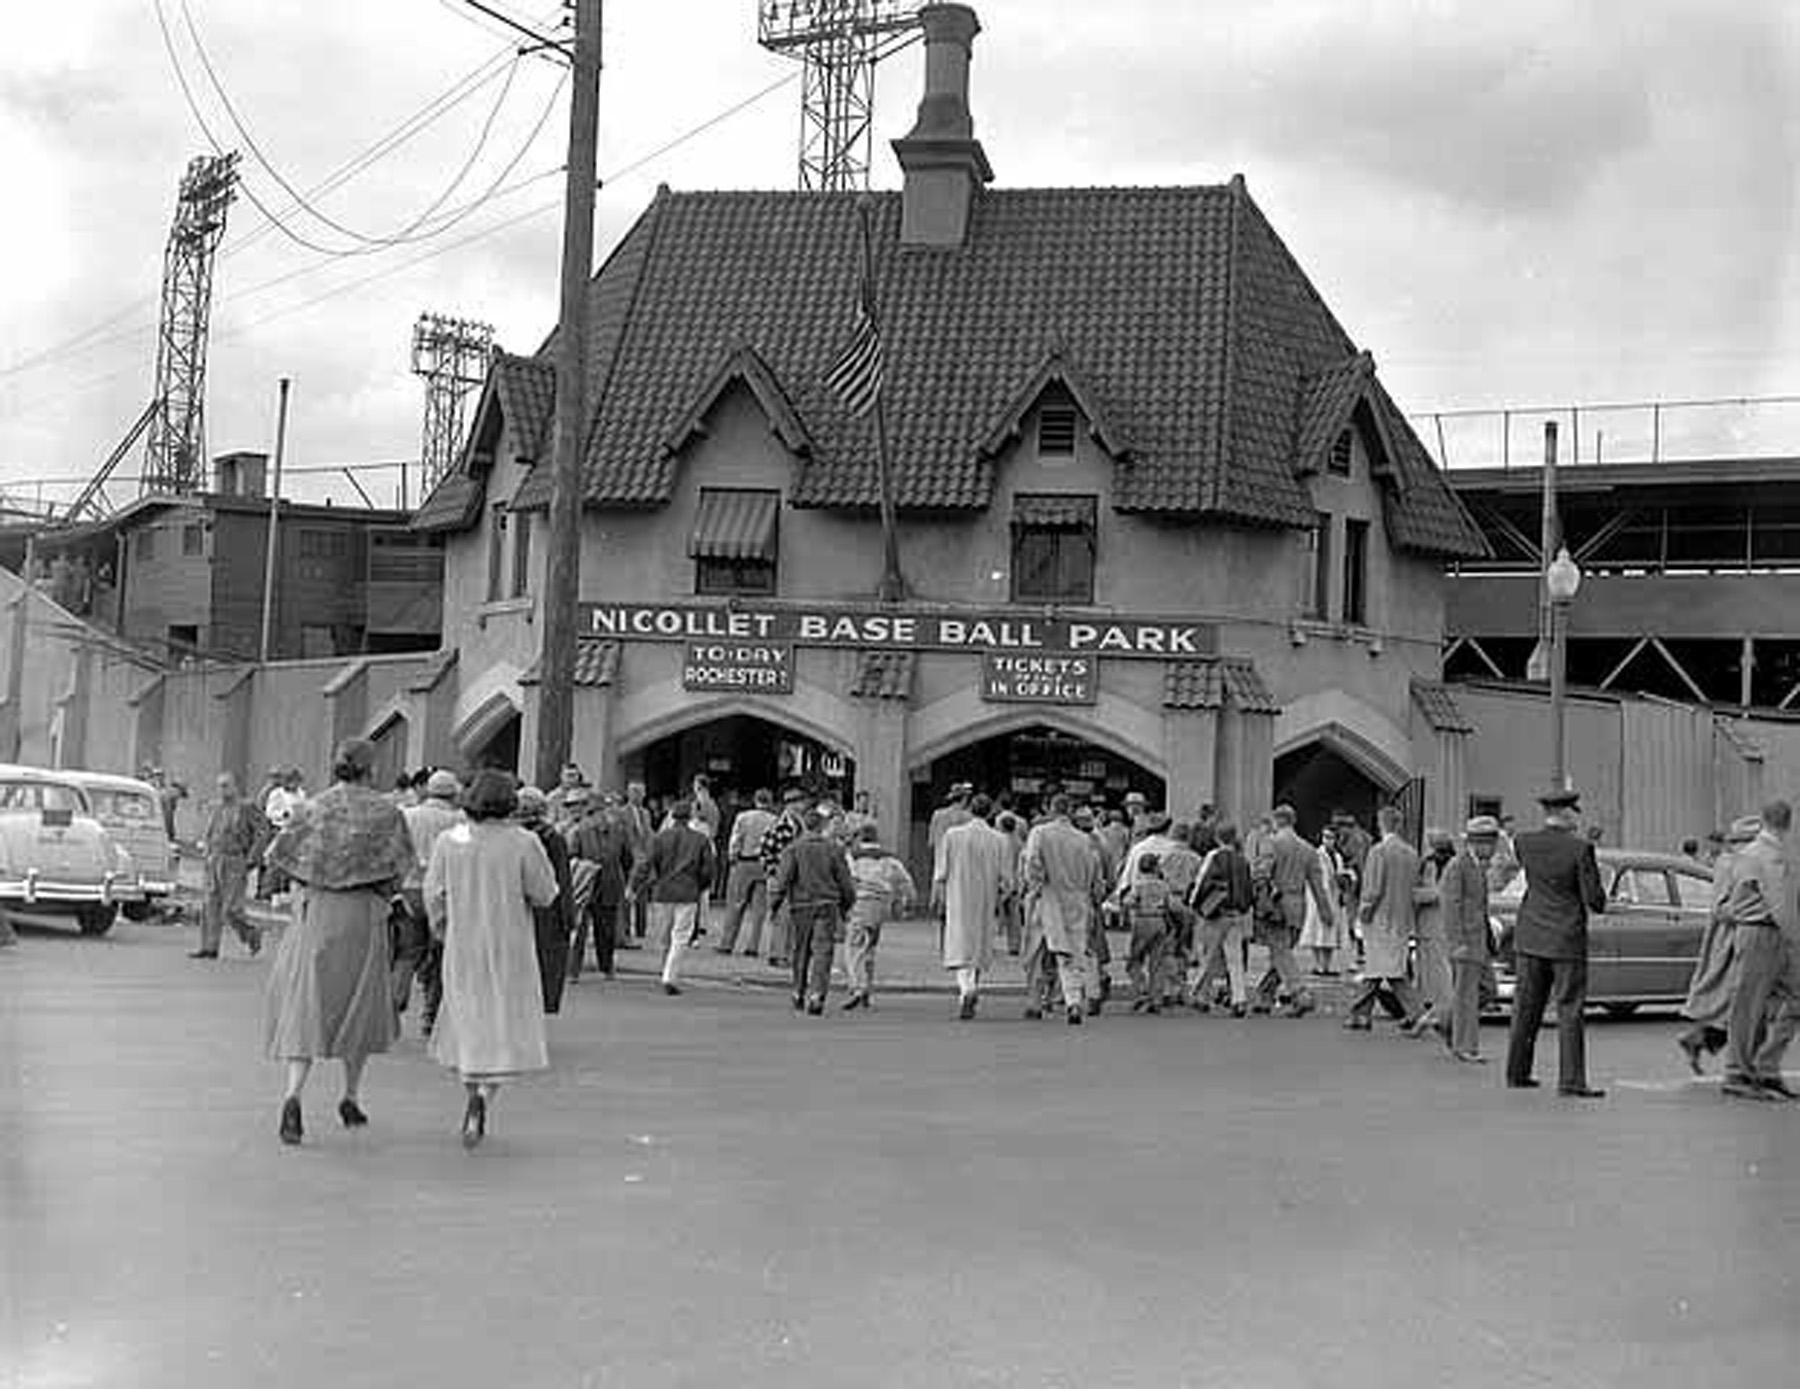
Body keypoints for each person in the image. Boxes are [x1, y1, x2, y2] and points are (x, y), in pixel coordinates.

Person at [262, 739, 416, 1146]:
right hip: (365, 914)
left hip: (316, 912)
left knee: (306, 1002)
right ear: (370, 769)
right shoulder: (387, 813)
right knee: (359, 1005)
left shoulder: (313, 808)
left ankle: (293, 1095)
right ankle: (350, 1095)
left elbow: (278, 854)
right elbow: (401, 866)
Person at [425, 770, 560, 1149]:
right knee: (503, 1025)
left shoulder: (449, 840)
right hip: (509, 944)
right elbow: (545, 893)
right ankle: (483, 1098)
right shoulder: (524, 842)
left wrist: (442, 928)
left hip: (463, 941)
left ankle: (471, 1088)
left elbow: (434, 894)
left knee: (468, 1021)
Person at [1503, 786, 1608, 1098]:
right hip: (1565, 937)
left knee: (1525, 1007)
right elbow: (1594, 900)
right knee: (1569, 1008)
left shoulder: (1523, 842)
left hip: (1531, 933)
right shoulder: (1580, 849)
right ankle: (1571, 1080)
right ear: (1566, 813)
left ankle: (1517, 1071)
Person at [1718, 799, 1800, 1102]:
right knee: (1750, 1004)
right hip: (1765, 934)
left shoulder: (1750, 853)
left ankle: (1760, 1068)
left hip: (1756, 932)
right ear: (1789, 823)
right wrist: (1796, 940)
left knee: (1758, 1001)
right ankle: (1741, 1071)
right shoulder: (1769, 855)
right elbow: (1781, 904)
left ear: (1764, 820)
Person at [1677, 814, 1760, 1075]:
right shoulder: (1730, 865)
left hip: (1744, 938)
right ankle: (1742, 1065)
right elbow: (1721, 908)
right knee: (1742, 1003)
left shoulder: (1744, 863)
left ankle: (1700, 1040)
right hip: (1733, 940)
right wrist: (1751, 915)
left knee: (1741, 1003)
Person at [1021, 794, 1106, 1024]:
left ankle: (1034, 1003)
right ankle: (1073, 1001)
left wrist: (1035, 887)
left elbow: (1032, 863)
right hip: (1078, 900)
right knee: (1071, 954)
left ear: (1050, 808)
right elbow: (1096, 874)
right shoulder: (1084, 839)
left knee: (1037, 953)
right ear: (1070, 812)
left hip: (1048, 897)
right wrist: (1094, 897)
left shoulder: (1040, 833)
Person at [391, 769, 463, 1032]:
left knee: (407, 954)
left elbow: (395, 851)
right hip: (445, 892)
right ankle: (431, 1015)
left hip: (410, 889)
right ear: (453, 793)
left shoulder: (408, 816)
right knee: (441, 953)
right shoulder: (459, 821)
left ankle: (393, 1009)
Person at [933, 793, 1014, 1020]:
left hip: (958, 895)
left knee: (960, 946)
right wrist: (1001, 898)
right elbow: (1007, 880)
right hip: (985, 899)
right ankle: (970, 988)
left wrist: (939, 896)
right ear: (989, 812)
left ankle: (966, 989)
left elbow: (941, 872)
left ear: (970, 810)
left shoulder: (953, 835)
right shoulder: (999, 839)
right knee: (978, 946)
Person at [769, 807, 857, 1015]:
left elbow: (783, 880)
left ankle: (798, 991)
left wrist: (775, 904)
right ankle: (817, 994)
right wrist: (846, 906)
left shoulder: (793, 849)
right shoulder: (834, 849)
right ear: (822, 826)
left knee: (801, 949)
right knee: (823, 951)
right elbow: (845, 883)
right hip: (827, 904)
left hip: (801, 905)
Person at [1345, 805, 1424, 1032]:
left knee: (1385, 969)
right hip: (1402, 918)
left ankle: (1415, 1012)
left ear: (1381, 824)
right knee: (1384, 968)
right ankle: (1361, 1013)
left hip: (1380, 918)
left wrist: (1363, 913)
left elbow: (1373, 889)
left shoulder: (1378, 851)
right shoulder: (1411, 853)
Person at [631, 797, 717, 996]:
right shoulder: (700, 840)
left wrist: (634, 886)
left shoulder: (660, 838)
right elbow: (708, 869)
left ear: (672, 816)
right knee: (681, 936)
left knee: (665, 935)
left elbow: (646, 864)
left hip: (663, 890)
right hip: (688, 891)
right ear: (690, 817)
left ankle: (665, 970)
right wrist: (700, 886)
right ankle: (670, 976)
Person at [1252, 805, 1326, 1018]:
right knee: (1283, 952)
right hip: (1298, 904)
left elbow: (1261, 874)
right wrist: (1325, 910)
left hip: (1277, 903)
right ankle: (1263, 996)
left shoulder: (1272, 843)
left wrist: (1259, 896)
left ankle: (1300, 993)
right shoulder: (1308, 849)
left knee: (1281, 953)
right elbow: (1317, 884)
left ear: (1277, 821)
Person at [1437, 815, 1500, 1062]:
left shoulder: (1477, 866)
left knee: (1488, 990)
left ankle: (1444, 1020)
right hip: (1465, 943)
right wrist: (1457, 943)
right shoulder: (1458, 866)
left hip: (1479, 942)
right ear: (1479, 843)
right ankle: (1465, 1047)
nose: (1494, 850)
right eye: (1492, 844)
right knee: (1467, 995)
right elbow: (1450, 907)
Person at [194, 772, 270, 960]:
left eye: (226, 785)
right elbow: (210, 832)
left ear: (235, 786)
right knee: (210, 905)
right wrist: (206, 853)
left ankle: (251, 933)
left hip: (235, 861)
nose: (222, 790)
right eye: (220, 786)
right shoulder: (216, 807)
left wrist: (253, 857)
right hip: (214, 860)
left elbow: (262, 832)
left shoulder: (246, 807)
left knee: (231, 909)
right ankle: (209, 948)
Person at [841, 824, 916, 1011]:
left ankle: (857, 988)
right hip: (881, 906)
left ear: (860, 838)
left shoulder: (852, 856)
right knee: (870, 947)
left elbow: (845, 880)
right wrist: (907, 902)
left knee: (852, 948)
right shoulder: (890, 858)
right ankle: (867, 989)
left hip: (860, 903)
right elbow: (906, 883)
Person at [514, 787, 573, 1015]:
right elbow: (562, 878)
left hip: (515, 906)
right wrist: (568, 915)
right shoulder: (551, 837)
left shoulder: (510, 835)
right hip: (546, 910)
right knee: (542, 964)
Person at [567, 790, 634, 981]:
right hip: (605, 882)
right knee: (603, 930)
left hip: (588, 882)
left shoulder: (580, 830)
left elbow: (572, 856)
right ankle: (605, 968)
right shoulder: (616, 830)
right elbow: (627, 859)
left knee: (584, 930)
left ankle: (575, 971)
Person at [1190, 822, 1254, 1016]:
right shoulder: (1242, 860)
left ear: (1217, 837)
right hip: (1236, 912)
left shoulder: (1214, 856)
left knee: (1208, 956)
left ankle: (1200, 994)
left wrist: (1195, 903)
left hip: (1216, 912)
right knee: (1235, 958)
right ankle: (1239, 998)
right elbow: (1248, 887)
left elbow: (1202, 881)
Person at [1407, 828, 1458, 1036]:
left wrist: (1430, 894)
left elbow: (1440, 893)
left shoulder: (1451, 865)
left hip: (1441, 925)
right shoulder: (1427, 864)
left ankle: (1435, 1016)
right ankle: (1432, 1014)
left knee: (1441, 977)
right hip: (1427, 925)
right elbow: (1415, 891)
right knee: (1429, 975)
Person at [717, 788, 776, 955]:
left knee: (735, 904)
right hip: (763, 864)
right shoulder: (774, 820)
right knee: (759, 909)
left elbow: (736, 839)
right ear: (769, 802)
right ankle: (753, 946)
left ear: (755, 800)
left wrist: (732, 857)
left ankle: (727, 943)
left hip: (744, 862)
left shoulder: (743, 817)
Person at [759, 788, 810, 966]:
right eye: (798, 803)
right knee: (782, 917)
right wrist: (774, 874)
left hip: (797, 878)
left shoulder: (801, 825)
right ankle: (778, 955)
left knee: (792, 918)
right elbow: (766, 852)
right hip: (781, 877)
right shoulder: (779, 825)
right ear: (790, 805)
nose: (802, 806)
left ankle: (786, 954)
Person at [1124, 853, 1174, 1014]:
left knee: (1135, 960)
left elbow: (1130, 901)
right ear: (1155, 867)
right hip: (1159, 921)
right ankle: (1156, 998)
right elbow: (1170, 905)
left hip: (1142, 920)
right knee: (1157, 962)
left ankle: (1140, 990)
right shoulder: (1163, 885)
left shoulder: (1138, 885)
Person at [1300, 825, 1348, 976]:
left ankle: (1326, 966)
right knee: (1318, 932)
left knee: (1330, 933)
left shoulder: (1338, 857)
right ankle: (1318, 965)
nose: (1328, 840)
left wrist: (1344, 880)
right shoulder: (1317, 854)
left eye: (1331, 837)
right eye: (1325, 837)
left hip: (1334, 896)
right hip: (1319, 897)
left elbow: (1339, 874)